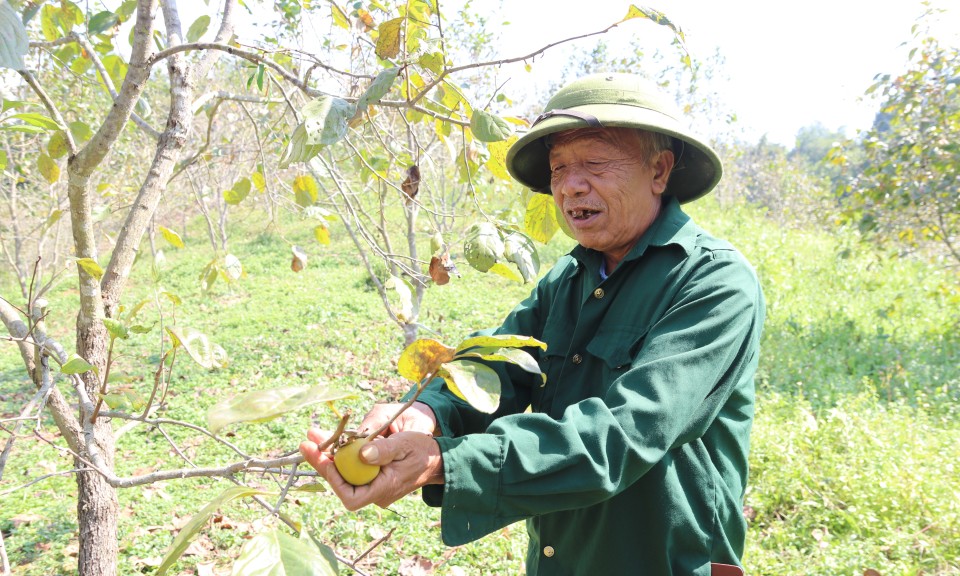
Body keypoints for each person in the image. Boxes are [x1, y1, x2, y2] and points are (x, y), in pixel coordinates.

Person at [301, 73, 765, 576]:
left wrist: (443, 463)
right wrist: (428, 414)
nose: (570, 185)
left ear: (659, 170)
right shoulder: (569, 277)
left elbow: (626, 434)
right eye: (559, 168)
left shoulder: (715, 281)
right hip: (561, 554)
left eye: (594, 162)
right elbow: (497, 366)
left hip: (665, 558)